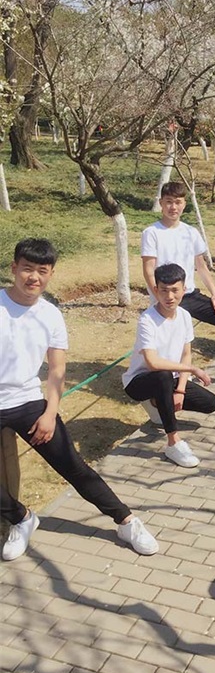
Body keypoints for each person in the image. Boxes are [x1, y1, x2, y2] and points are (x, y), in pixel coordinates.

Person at [0, 238, 158, 560]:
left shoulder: (51, 315)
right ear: (14, 268)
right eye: (27, 268)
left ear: (51, 274)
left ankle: (126, 521)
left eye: (42, 271)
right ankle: (22, 518)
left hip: (29, 402)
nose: (33, 277)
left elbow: (57, 369)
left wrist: (50, 413)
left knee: (74, 467)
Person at [141, 181, 215, 388]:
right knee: (173, 339)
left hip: (190, 295)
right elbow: (148, 269)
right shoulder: (152, 232)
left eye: (177, 202)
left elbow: (201, 266)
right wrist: (159, 297)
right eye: (168, 202)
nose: (173, 207)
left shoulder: (191, 232)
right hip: (166, 297)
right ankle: (176, 378)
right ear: (161, 203)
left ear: (184, 204)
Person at [123, 263, 215, 468]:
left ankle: (158, 402)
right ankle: (173, 442)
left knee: (211, 403)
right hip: (140, 381)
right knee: (163, 375)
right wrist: (193, 370)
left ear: (184, 289)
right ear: (155, 290)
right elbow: (152, 363)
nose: (170, 297)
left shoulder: (184, 315)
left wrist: (181, 390)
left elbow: (186, 354)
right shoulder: (147, 319)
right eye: (164, 290)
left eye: (175, 290)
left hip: (170, 379)